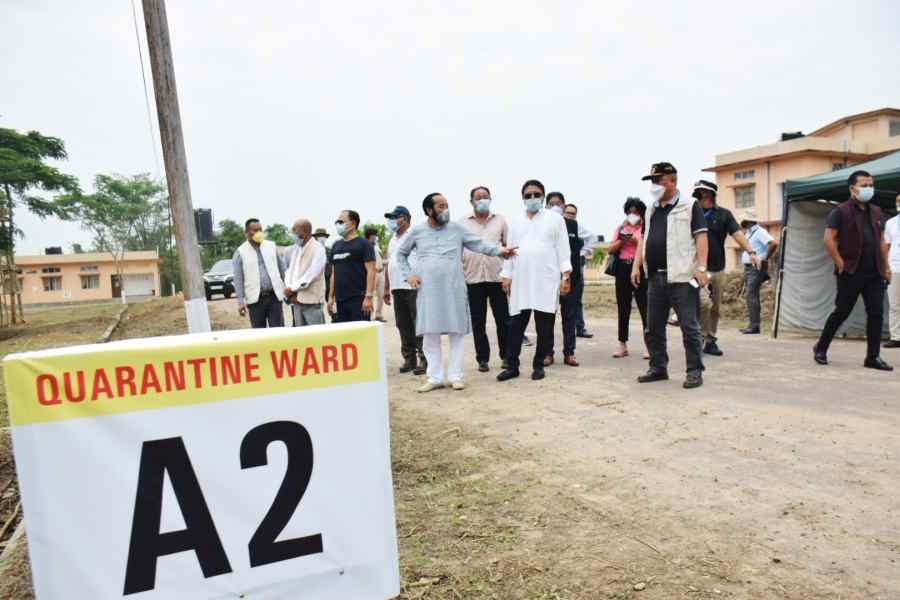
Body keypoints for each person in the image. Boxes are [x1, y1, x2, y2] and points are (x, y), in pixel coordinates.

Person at [395, 193, 515, 393]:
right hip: (428, 291)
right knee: (430, 334)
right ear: (429, 210)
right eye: (441, 206)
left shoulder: (457, 229)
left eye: (447, 205)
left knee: (457, 333)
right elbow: (400, 254)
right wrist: (409, 275)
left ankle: (455, 376)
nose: (446, 210)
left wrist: (500, 251)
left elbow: (479, 244)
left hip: (454, 289)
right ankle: (434, 377)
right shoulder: (417, 232)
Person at [631, 162, 709, 389]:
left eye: (658, 180)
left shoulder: (689, 205)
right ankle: (658, 367)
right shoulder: (651, 208)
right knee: (653, 327)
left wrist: (702, 268)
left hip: (683, 277)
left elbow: (701, 237)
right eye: (652, 181)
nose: (654, 185)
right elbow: (643, 240)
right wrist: (637, 266)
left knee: (689, 326)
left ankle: (694, 371)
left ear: (672, 181)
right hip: (655, 277)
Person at [813, 170, 892, 370]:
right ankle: (821, 347)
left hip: (874, 271)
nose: (868, 189)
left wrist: (886, 266)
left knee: (876, 313)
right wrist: (840, 263)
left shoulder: (876, 211)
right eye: (864, 185)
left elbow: (882, 241)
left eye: (871, 185)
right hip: (850, 270)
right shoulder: (840, 211)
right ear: (852, 188)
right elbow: (828, 239)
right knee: (842, 311)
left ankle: (872, 358)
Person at [497, 180, 572, 382]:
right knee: (515, 326)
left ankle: (539, 365)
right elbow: (510, 250)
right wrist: (506, 275)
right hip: (521, 281)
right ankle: (512, 366)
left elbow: (563, 249)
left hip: (546, 280)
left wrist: (566, 276)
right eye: (528, 195)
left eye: (536, 194)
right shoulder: (515, 221)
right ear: (523, 198)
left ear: (543, 196)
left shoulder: (555, 219)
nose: (532, 198)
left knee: (544, 327)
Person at [694, 180, 761, 354]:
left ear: (709, 194)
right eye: (697, 191)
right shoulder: (692, 213)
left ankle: (710, 340)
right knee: (703, 303)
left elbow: (737, 234)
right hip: (698, 269)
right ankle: (699, 335)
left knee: (715, 307)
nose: (698, 194)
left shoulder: (724, 214)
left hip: (718, 269)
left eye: (701, 191)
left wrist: (751, 252)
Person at [459, 185, 510, 372]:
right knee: (478, 321)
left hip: (497, 278)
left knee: (503, 320)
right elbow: (458, 249)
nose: (482, 200)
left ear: (490, 199)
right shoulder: (462, 223)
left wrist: (508, 276)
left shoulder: (501, 220)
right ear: (471, 201)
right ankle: (482, 359)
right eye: (478, 198)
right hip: (473, 279)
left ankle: (506, 356)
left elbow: (508, 246)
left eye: (485, 197)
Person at [383, 205, 426, 375]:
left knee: (418, 323)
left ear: (405, 218)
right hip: (396, 287)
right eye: (390, 217)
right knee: (403, 324)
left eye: (395, 217)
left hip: (413, 286)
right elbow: (389, 264)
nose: (391, 221)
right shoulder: (393, 239)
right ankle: (409, 358)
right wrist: (386, 287)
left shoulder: (415, 235)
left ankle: (424, 358)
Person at [545, 192, 584, 366]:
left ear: (564, 205)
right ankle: (547, 353)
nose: (555, 206)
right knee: (547, 318)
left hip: (570, 278)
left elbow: (590, 240)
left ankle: (569, 353)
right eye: (552, 203)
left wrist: (583, 254)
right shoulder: (541, 225)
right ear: (546, 206)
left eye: (559, 203)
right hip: (548, 279)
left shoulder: (574, 225)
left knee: (569, 317)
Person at [608, 197, 648, 359]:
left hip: (640, 268)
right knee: (623, 308)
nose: (633, 215)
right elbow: (610, 249)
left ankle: (649, 344)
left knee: (645, 307)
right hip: (623, 269)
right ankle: (622, 344)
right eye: (630, 212)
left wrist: (631, 238)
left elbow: (643, 244)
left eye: (636, 212)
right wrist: (621, 240)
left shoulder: (646, 227)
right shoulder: (620, 228)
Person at [233, 218, 286, 328]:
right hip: (255, 300)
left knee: (278, 332)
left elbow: (282, 269)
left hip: (274, 297)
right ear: (246, 232)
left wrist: (288, 289)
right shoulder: (240, 252)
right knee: (259, 333)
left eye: (260, 229)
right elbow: (238, 279)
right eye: (255, 230)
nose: (259, 233)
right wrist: (240, 302)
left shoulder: (271, 246)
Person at [328, 210, 376, 322]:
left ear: (353, 224)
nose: (338, 224)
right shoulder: (336, 245)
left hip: (358, 299)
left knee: (360, 336)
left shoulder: (364, 244)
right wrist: (330, 297)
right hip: (340, 300)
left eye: (342, 222)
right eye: (337, 222)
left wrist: (368, 297)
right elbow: (334, 273)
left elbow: (371, 271)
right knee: (343, 337)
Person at [738, 209, 778, 334]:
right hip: (749, 268)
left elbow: (773, 243)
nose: (742, 222)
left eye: (744, 220)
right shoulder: (749, 233)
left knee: (751, 295)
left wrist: (764, 258)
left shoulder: (760, 232)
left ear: (748, 221)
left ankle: (754, 326)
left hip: (756, 267)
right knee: (751, 295)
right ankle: (753, 324)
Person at [560, 202, 596, 338]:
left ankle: (580, 327)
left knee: (576, 299)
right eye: (568, 213)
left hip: (575, 265)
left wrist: (582, 252)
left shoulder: (577, 227)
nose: (570, 215)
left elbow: (592, 237)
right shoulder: (558, 226)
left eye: (573, 214)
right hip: (559, 267)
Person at [283, 218, 327, 326]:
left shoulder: (318, 249)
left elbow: (311, 275)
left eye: (295, 233)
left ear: (305, 233)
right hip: (297, 301)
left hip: (312, 303)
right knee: (302, 338)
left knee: (316, 338)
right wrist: (288, 287)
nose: (293, 236)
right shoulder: (297, 249)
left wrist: (292, 288)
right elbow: (290, 271)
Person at [884, 194, 900, 349]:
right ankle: (896, 337)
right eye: (898, 201)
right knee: (895, 304)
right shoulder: (890, 223)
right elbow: (886, 246)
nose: (899, 204)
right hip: (895, 267)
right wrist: (886, 267)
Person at [365, 227, 387, 322]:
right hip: (373, 273)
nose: (375, 237)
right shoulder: (366, 247)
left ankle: (378, 314)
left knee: (381, 295)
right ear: (369, 236)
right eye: (374, 236)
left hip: (381, 272)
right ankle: (369, 315)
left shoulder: (377, 247)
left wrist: (387, 261)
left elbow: (381, 259)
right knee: (371, 295)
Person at [312, 227, 333, 319]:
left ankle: (334, 318)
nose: (321, 238)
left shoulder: (329, 251)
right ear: (315, 237)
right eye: (319, 236)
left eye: (323, 236)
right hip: (316, 281)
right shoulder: (312, 251)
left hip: (328, 279)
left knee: (331, 302)